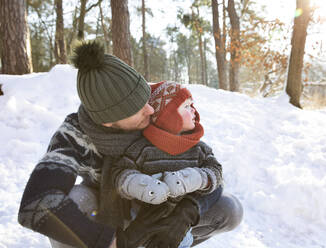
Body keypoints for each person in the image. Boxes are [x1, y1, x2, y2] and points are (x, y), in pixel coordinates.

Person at [18, 41, 243, 248]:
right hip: (106, 213)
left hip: (160, 204)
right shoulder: (74, 134)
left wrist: (186, 212)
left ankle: (163, 240)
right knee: (75, 200)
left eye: (146, 97)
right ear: (109, 121)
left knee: (230, 209)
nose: (151, 109)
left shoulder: (153, 112)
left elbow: (205, 167)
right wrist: (112, 241)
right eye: (138, 108)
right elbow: (37, 203)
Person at [93, 80, 223, 247]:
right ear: (168, 117)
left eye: (192, 105)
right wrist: (139, 184)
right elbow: (120, 172)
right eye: (186, 106)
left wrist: (197, 178)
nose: (194, 110)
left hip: (181, 220)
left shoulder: (199, 148)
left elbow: (216, 171)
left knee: (179, 240)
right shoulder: (143, 148)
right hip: (142, 217)